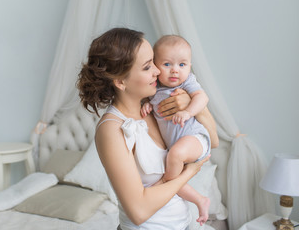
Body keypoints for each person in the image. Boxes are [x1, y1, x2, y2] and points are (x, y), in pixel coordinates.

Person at [77, 28, 219, 230]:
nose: (158, 70)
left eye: (154, 61)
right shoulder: (112, 129)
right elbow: (138, 212)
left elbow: (213, 142)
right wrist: (190, 172)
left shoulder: (156, 106)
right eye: (146, 67)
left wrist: (195, 105)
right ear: (120, 81)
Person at [141, 35, 212, 225]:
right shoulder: (153, 88)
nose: (175, 70)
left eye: (182, 64)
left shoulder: (186, 82)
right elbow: (151, 102)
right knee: (174, 177)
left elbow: (202, 98)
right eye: (167, 64)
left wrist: (188, 111)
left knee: (174, 160)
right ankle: (200, 200)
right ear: (155, 66)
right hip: (176, 147)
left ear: (189, 66)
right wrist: (148, 105)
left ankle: (164, 184)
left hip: (196, 138)